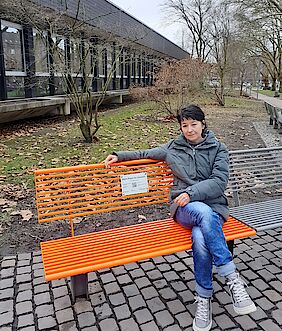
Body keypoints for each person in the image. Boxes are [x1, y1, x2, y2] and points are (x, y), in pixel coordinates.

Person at [104, 105, 256, 331]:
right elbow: (146, 153)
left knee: (201, 237)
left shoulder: (218, 149)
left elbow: (218, 182)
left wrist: (192, 193)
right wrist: (119, 155)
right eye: (184, 125)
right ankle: (232, 278)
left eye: (193, 124)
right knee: (203, 214)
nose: (189, 129)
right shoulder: (173, 148)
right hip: (184, 209)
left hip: (212, 205)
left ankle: (203, 299)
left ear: (203, 124)